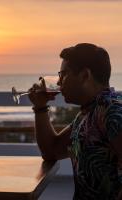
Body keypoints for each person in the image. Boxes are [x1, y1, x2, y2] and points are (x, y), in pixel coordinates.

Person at [28, 43, 122, 200]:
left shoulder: (112, 111)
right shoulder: (88, 112)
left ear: (85, 75)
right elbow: (52, 151)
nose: (59, 82)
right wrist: (40, 107)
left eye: (63, 74)